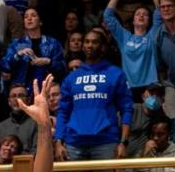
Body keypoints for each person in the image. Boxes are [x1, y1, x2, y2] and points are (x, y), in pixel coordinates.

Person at [54, 29, 132, 161]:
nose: (90, 45)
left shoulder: (116, 74)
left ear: (103, 47)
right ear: (83, 46)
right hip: (74, 142)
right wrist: (58, 141)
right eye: (87, 42)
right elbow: (63, 111)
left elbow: (127, 109)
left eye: (95, 42)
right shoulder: (71, 78)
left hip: (106, 142)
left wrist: (124, 142)